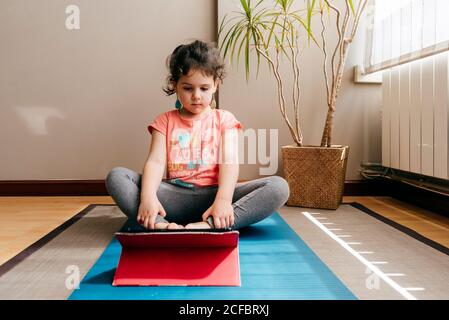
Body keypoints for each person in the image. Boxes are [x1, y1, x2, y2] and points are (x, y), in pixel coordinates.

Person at [106, 40, 290, 230]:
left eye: (204, 88)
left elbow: (229, 161)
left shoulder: (225, 119)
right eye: (187, 88)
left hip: (215, 196)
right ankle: (160, 224)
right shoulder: (164, 121)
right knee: (117, 176)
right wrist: (148, 197)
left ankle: (210, 224)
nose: (196, 95)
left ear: (215, 85)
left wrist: (224, 200)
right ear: (175, 85)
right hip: (173, 198)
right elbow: (155, 162)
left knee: (278, 187)